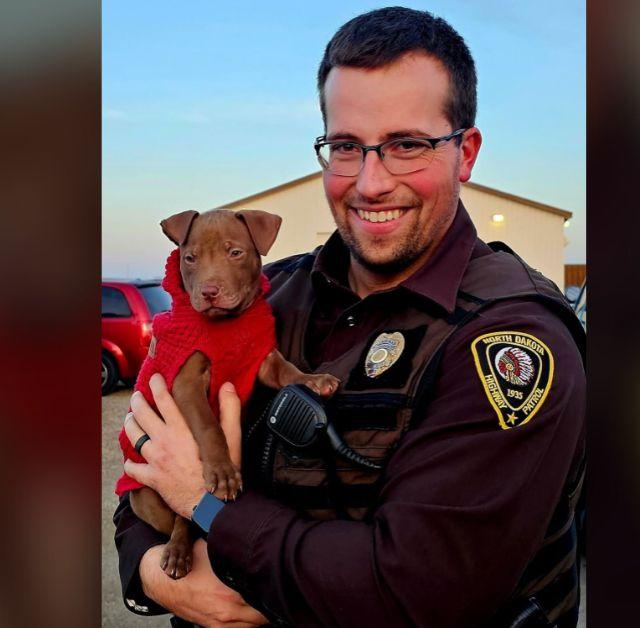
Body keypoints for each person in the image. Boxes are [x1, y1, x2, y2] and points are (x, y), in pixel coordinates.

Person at [114, 7, 586, 627]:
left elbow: (416, 589)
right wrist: (155, 576)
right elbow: (144, 463)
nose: (369, 182)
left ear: (465, 153)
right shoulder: (268, 296)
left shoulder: (512, 341)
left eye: (407, 145)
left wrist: (209, 509)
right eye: (345, 147)